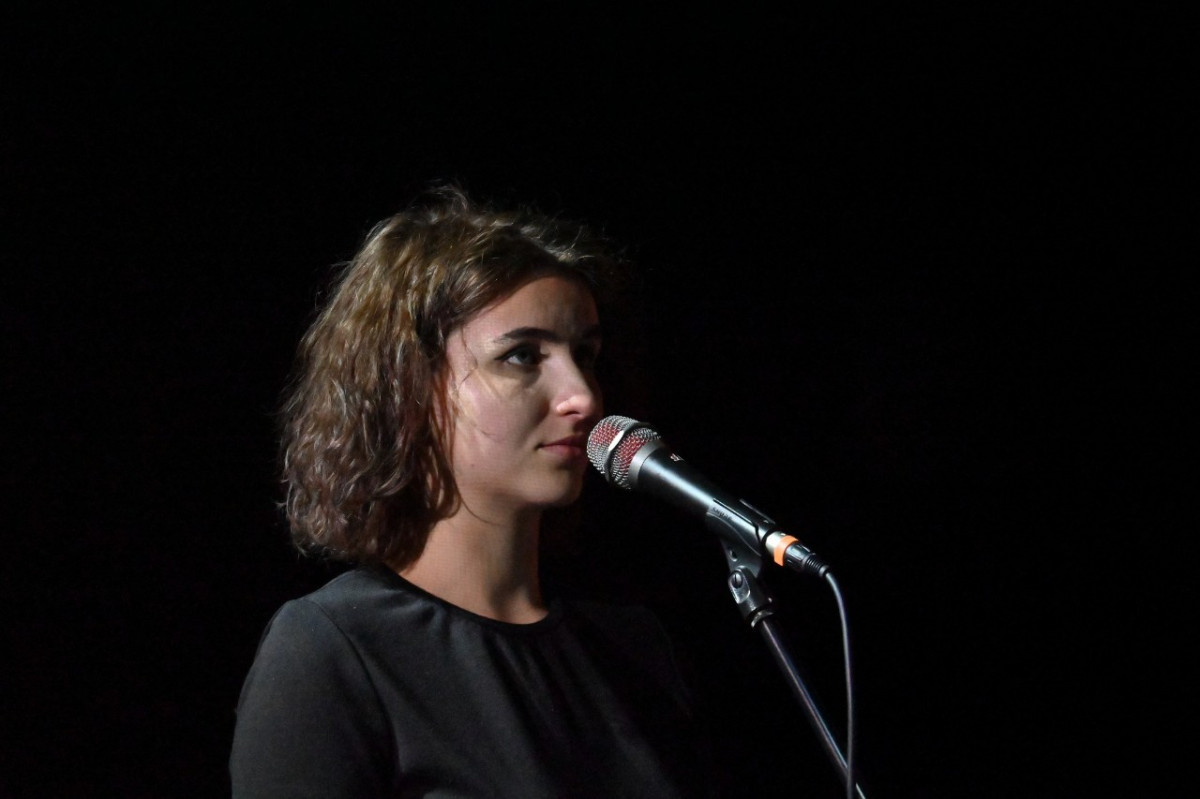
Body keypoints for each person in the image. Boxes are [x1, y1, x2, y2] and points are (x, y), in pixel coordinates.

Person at [229, 184, 712, 797]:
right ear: (409, 387)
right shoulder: (334, 650)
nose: (584, 397)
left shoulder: (633, 649)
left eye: (585, 355)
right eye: (522, 355)